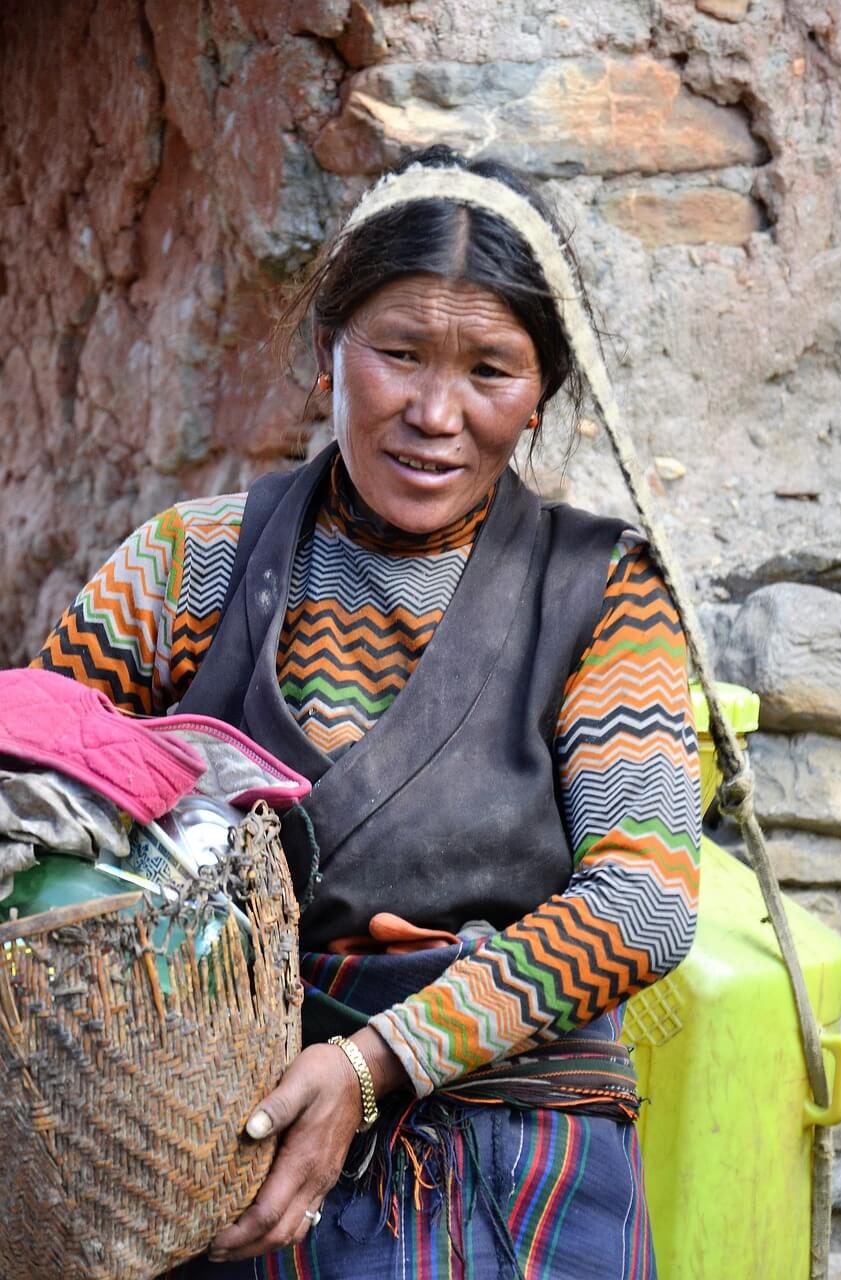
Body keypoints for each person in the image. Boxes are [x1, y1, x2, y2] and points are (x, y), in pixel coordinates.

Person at [33, 145, 701, 1279]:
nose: (435, 412)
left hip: (513, 1162)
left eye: (490, 369)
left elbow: (643, 899)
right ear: (327, 349)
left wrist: (376, 1060)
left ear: (543, 391)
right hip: (211, 1152)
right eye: (398, 353)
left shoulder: (602, 592)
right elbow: (29, 792)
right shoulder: (192, 564)